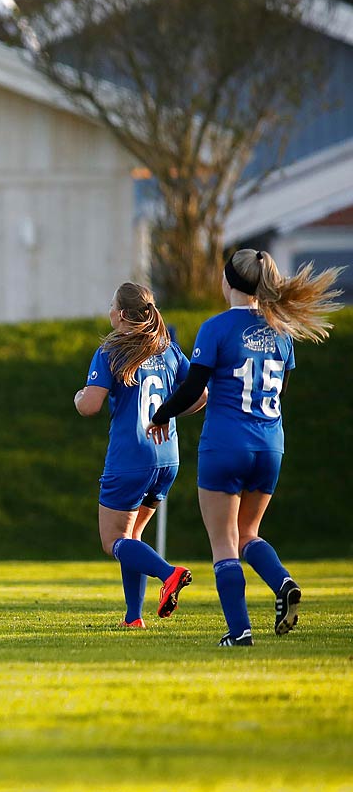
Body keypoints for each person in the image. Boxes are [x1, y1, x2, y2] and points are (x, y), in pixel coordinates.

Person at [149, 248, 342, 646]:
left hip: (225, 444)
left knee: (223, 542)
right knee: (247, 533)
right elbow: (281, 391)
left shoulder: (216, 328)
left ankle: (239, 632)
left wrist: (162, 414)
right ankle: (282, 581)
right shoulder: (282, 331)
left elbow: (192, 388)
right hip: (270, 446)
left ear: (227, 282)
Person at [73, 282, 199, 627]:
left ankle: (169, 573)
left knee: (112, 540)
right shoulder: (167, 348)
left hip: (131, 458)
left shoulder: (112, 350)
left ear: (122, 314)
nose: (109, 310)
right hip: (166, 456)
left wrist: (79, 396)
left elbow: (90, 406)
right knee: (132, 537)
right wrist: (168, 413)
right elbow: (199, 395)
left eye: (112, 305)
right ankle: (133, 618)